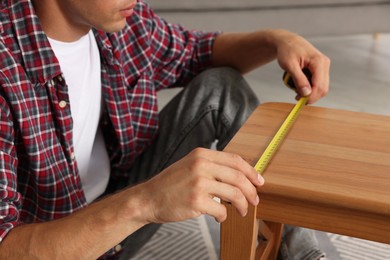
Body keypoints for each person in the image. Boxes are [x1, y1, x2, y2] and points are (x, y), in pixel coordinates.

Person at [0, 0, 330, 259]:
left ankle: (303, 256)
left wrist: (276, 41)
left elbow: (197, 53)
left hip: (115, 214)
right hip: (52, 244)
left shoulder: (120, 21)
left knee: (220, 85)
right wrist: (146, 203)